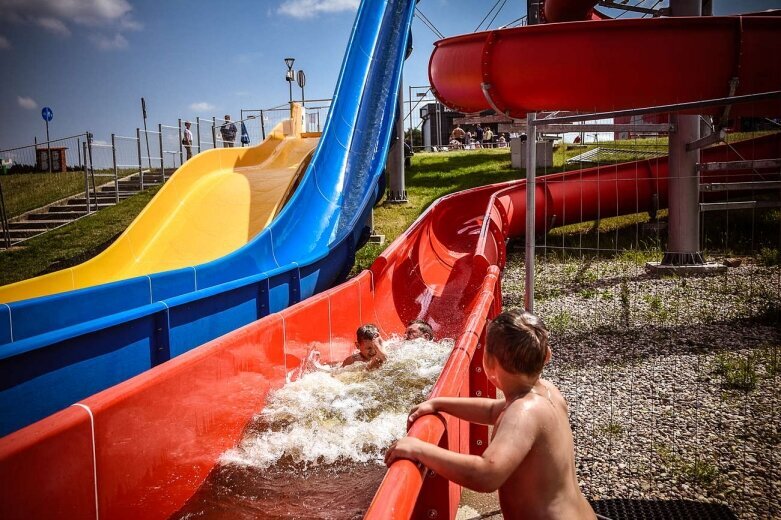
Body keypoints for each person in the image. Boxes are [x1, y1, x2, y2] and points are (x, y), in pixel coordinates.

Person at [385, 309, 596, 520]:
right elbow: (492, 410)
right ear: (547, 355)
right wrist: (438, 403)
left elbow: (486, 474)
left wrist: (419, 449)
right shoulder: (546, 393)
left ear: (488, 361)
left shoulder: (523, 413)